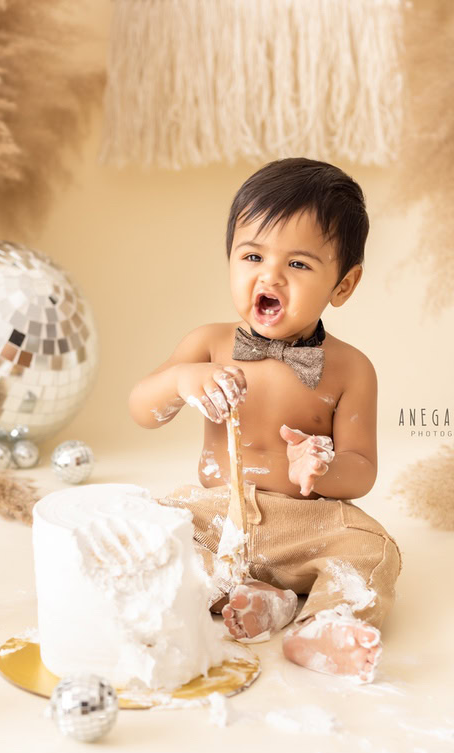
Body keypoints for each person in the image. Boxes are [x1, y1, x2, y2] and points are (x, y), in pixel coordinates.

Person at [127, 158, 402, 684]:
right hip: (217, 513)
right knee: (148, 528)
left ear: (343, 285)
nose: (269, 276)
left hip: (302, 523)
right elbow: (143, 409)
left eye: (298, 265)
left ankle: (324, 625)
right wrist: (182, 380)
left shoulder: (351, 369)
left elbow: (362, 469)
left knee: (373, 548)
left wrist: (322, 467)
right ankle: (254, 597)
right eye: (252, 255)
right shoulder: (208, 344)